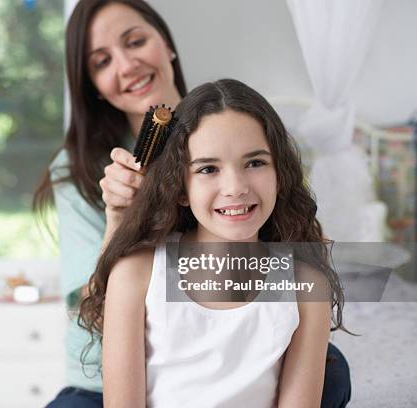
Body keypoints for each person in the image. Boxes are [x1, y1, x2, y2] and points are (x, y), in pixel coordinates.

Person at [33, 1, 350, 406]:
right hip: (102, 374)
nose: (127, 65)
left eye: (136, 41)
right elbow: (93, 309)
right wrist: (117, 221)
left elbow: (301, 245)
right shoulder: (79, 171)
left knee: (332, 369)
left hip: (248, 331)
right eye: (102, 61)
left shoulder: (231, 117)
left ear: (166, 44)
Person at [79, 79, 348, 407]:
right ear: (179, 188)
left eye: (255, 163)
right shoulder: (137, 274)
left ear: (281, 176)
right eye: (208, 169)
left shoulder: (306, 284)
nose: (235, 187)